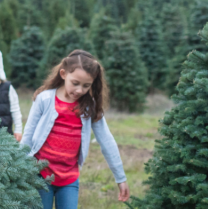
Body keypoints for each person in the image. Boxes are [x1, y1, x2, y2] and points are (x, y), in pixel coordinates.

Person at [21, 50, 130, 209]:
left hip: (69, 180)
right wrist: (17, 168)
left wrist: (120, 178)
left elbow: (106, 140)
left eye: (86, 85)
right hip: (40, 175)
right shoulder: (44, 99)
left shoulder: (89, 107)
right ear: (63, 74)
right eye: (75, 83)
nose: (80, 90)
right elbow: (28, 136)